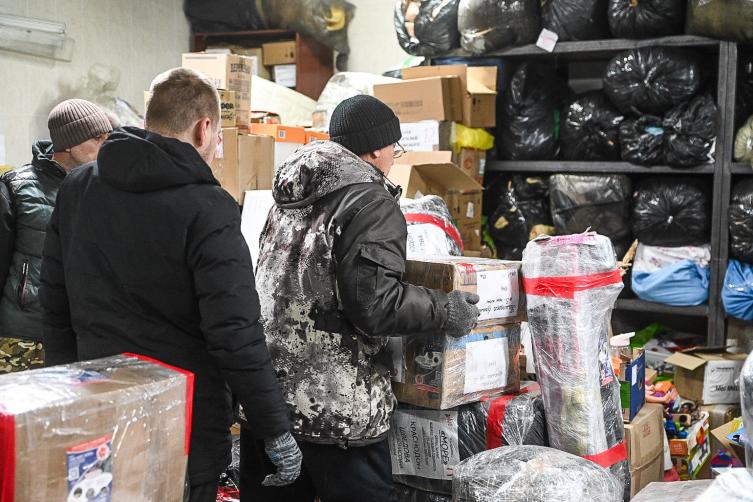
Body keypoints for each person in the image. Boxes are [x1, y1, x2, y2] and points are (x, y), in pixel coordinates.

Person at [39, 68, 302, 501]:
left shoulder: (79, 187)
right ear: (204, 128)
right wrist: (274, 428)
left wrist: (71, 395)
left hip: (99, 406)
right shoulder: (209, 207)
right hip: (182, 423)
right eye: (217, 136)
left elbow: (54, 303)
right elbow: (234, 332)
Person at [242, 94, 481, 501]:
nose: (392, 158)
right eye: (393, 148)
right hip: (336, 412)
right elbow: (374, 305)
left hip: (270, 402)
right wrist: (445, 309)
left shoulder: (288, 196)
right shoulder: (370, 203)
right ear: (373, 150)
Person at [0, 99, 112, 373]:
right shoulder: (17, 189)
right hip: (24, 336)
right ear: (69, 143)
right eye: (97, 137)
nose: (105, 144)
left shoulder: (104, 187)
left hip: (81, 337)